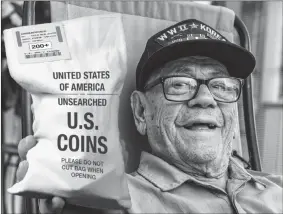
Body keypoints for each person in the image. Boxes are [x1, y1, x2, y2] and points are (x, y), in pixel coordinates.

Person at [16, 19, 282, 214]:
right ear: (141, 111)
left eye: (222, 86)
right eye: (180, 83)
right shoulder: (116, 201)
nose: (205, 99)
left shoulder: (276, 188)